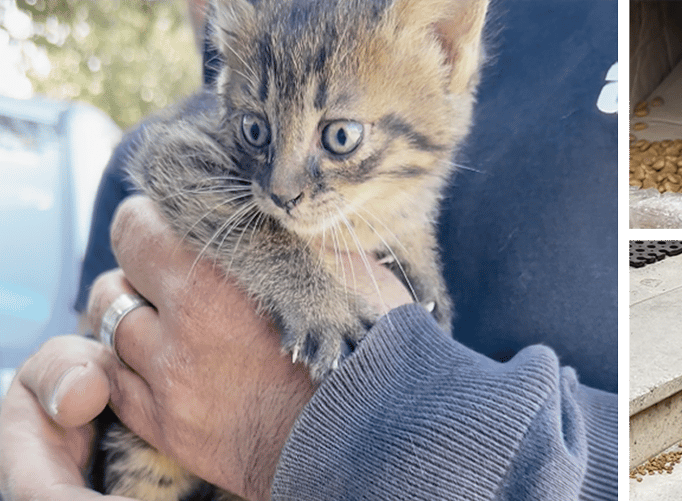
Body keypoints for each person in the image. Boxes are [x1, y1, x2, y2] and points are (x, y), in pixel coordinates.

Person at [0, 1, 618, 499]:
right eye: (257, 132)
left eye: (340, 137)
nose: (281, 188)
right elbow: (169, 160)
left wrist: (355, 431)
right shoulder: (270, 50)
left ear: (445, 48)